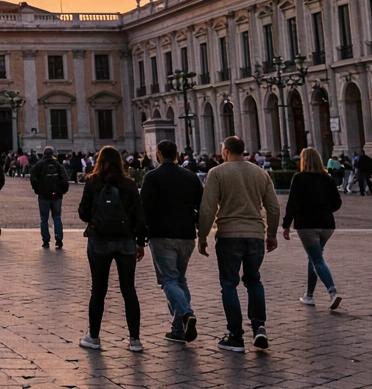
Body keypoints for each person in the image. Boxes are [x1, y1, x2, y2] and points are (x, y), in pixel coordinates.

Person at [198, 136, 280, 353]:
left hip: (228, 235)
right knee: (254, 281)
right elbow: (273, 207)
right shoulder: (260, 173)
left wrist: (203, 235)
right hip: (254, 234)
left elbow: (207, 208)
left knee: (229, 284)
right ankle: (259, 326)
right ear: (244, 151)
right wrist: (271, 233)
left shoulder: (217, 173)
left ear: (224, 151)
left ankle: (235, 336)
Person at [76, 146, 147, 352]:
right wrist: (140, 242)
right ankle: (135, 340)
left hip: (99, 241)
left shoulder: (92, 183)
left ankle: (94, 337)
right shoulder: (129, 184)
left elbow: (83, 212)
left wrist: (97, 219)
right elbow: (140, 217)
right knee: (129, 290)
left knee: (98, 290)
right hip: (125, 242)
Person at [139, 139, 203, 344]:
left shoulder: (152, 177)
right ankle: (178, 329)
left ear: (158, 154)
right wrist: (200, 232)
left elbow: (144, 209)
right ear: (176, 154)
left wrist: (140, 238)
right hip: (186, 235)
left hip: (162, 235)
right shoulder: (191, 177)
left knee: (169, 281)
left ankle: (186, 313)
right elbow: (202, 206)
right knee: (179, 281)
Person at [284, 147, 343, 310]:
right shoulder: (329, 179)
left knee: (317, 259)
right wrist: (325, 209)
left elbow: (293, 204)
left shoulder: (299, 178)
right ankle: (309, 295)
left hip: (307, 225)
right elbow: (337, 203)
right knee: (314, 258)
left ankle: (333, 291)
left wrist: (286, 225)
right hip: (327, 225)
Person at [30, 146, 69, 249]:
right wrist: (62, 191)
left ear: (44, 154)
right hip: (57, 195)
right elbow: (65, 180)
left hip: (43, 195)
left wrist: (37, 190)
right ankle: (59, 239)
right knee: (57, 218)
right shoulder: (58, 165)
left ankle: (46, 241)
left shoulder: (39, 165)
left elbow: (33, 178)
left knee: (44, 219)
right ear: (52, 154)